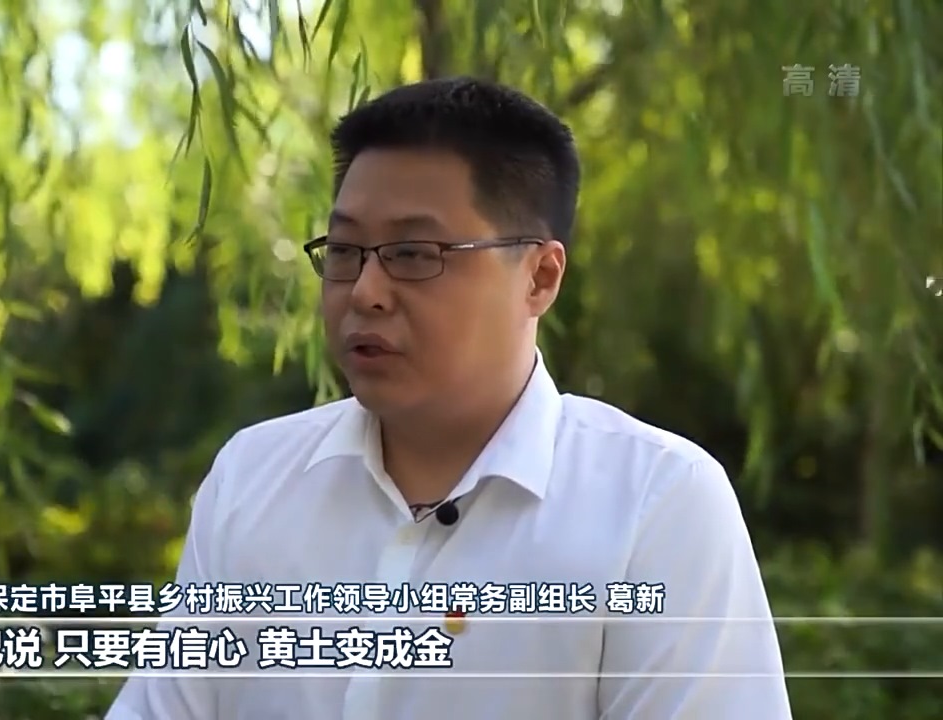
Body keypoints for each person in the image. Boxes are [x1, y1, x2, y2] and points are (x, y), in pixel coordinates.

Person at [107, 77, 791, 719]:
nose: (365, 291)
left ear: (540, 277)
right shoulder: (252, 477)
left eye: (413, 253)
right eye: (344, 251)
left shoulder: (656, 502)